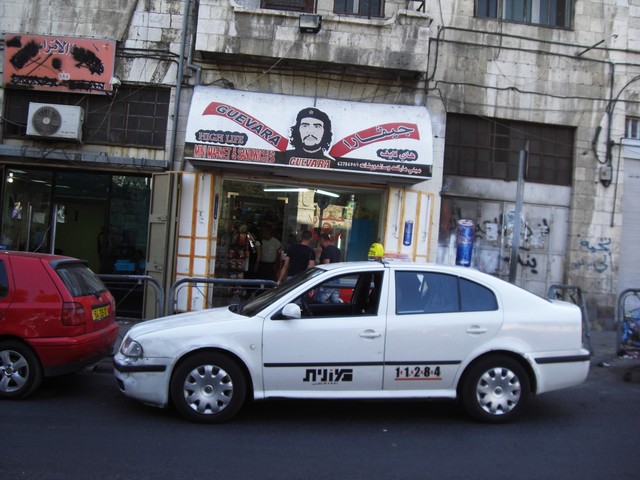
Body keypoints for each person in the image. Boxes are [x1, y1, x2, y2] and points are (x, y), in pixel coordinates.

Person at [316, 233, 342, 303]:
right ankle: (335, 313)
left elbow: (326, 265)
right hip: (337, 278)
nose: (319, 244)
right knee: (334, 302)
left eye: (319, 241)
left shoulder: (326, 250)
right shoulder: (337, 250)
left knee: (319, 300)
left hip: (328, 280)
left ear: (322, 240)